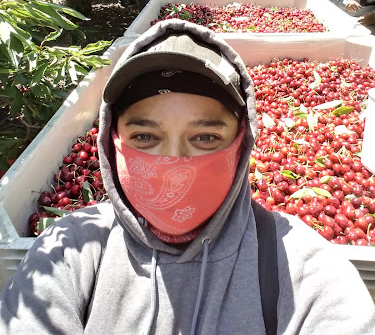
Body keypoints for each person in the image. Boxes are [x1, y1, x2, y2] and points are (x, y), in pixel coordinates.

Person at [0, 19, 374, 334]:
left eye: (206, 137)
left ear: (241, 143)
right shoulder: (70, 252)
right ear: (111, 141)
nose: (174, 160)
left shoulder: (301, 268)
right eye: (145, 137)